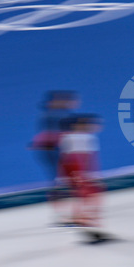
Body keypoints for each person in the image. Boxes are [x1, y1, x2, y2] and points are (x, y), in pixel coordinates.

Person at [58, 114, 112, 243]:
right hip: (80, 173)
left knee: (87, 198)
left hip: (80, 173)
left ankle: (88, 224)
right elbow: (76, 158)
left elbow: (82, 159)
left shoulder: (80, 137)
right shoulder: (79, 138)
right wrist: (82, 176)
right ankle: (88, 225)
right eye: (89, 124)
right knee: (88, 198)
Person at [29, 90, 80, 225]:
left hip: (58, 152)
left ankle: (68, 214)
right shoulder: (52, 116)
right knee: (61, 182)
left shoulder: (57, 115)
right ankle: (64, 215)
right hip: (55, 152)